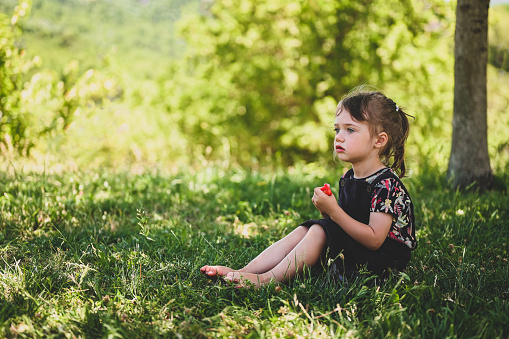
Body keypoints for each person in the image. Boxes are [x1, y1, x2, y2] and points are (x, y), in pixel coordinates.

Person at [200, 89, 417, 288]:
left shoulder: (385, 185)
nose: (339, 137)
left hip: (382, 264)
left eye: (350, 130)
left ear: (379, 141)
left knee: (320, 229)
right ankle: (244, 271)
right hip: (358, 250)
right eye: (337, 129)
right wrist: (327, 212)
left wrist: (333, 212)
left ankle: (266, 280)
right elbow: (345, 225)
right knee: (310, 227)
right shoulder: (349, 177)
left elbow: (373, 239)